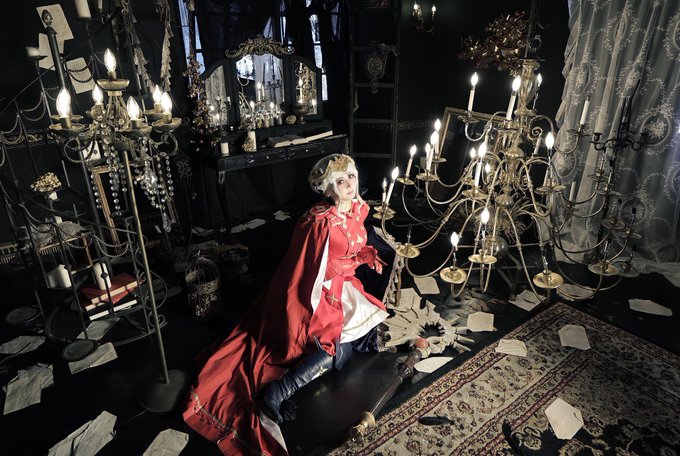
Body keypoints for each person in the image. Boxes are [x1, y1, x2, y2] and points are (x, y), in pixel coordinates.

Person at [183, 154, 391, 455]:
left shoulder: (357, 209)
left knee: (351, 344)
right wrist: (348, 267)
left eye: (351, 176)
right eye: (339, 180)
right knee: (337, 348)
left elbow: (349, 249)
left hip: (344, 288)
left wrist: (363, 256)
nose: (348, 183)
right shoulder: (318, 223)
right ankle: (279, 390)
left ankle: (292, 381)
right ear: (327, 189)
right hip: (317, 294)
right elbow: (307, 270)